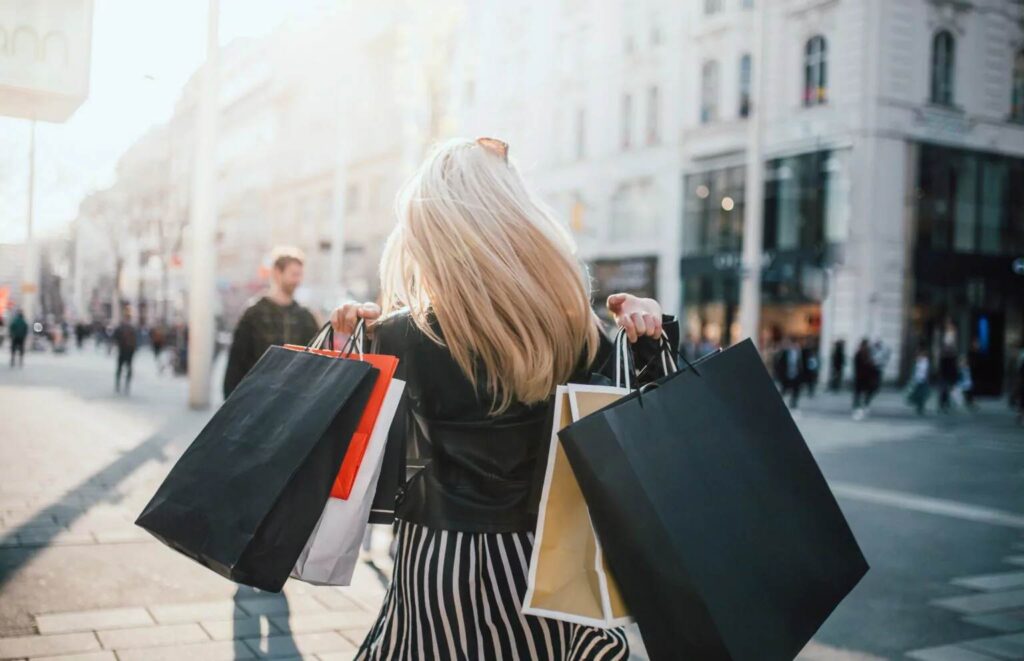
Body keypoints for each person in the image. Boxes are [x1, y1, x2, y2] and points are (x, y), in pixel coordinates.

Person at [329, 137, 677, 660]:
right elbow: (651, 422)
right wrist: (650, 335)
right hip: (546, 561)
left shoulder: (400, 334)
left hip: (439, 560)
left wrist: (347, 345)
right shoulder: (574, 330)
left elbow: (354, 446)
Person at [223, 246, 320, 398]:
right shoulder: (253, 314)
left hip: (294, 401)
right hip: (257, 400)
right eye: (294, 274)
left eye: (300, 275)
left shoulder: (305, 317)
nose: (298, 280)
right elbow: (236, 365)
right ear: (276, 273)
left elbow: (316, 363)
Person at [774, 337, 803, 410]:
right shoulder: (785, 353)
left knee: (796, 390)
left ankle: (793, 402)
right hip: (786, 375)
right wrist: (780, 375)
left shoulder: (799, 353)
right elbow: (779, 365)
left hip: (796, 375)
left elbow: (802, 365)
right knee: (783, 390)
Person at [852, 338, 876, 420]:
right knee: (858, 394)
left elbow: (872, 367)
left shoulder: (868, 354)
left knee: (866, 393)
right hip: (861, 378)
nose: (866, 346)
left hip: (865, 378)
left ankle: (863, 406)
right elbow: (857, 366)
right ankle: (858, 408)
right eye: (865, 345)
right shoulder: (859, 354)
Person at [114, 313, 138, 393]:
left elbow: (115, 338)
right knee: (127, 368)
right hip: (128, 351)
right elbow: (136, 341)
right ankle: (124, 384)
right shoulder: (131, 329)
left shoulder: (122, 328)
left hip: (124, 351)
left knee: (121, 368)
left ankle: (120, 384)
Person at [907, 348, 931, 415]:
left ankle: (921, 406)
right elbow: (914, 371)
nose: (920, 356)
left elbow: (927, 372)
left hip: (923, 380)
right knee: (917, 394)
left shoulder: (926, 362)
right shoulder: (917, 362)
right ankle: (918, 406)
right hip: (917, 380)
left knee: (922, 394)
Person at [937, 343, 959, 413]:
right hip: (945, 377)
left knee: (945, 391)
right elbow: (942, 369)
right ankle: (943, 405)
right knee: (944, 391)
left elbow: (954, 369)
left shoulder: (950, 359)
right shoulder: (945, 359)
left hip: (947, 377)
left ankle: (944, 405)